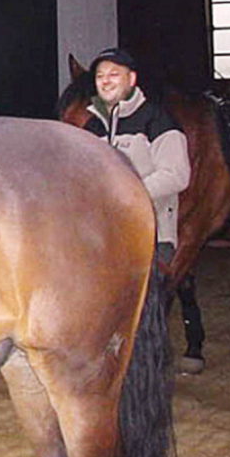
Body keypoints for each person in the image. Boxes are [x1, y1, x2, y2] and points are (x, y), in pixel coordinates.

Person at [84, 47, 190, 317]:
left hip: (150, 234)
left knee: (141, 315)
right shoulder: (92, 125)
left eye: (113, 74)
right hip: (104, 233)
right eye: (100, 76)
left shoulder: (157, 120)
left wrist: (125, 195)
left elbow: (177, 174)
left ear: (131, 79)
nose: (105, 81)